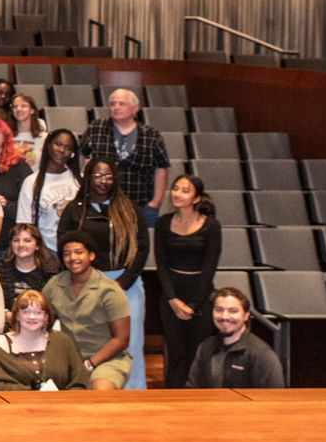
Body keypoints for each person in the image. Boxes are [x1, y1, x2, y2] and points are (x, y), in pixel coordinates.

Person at [57, 155, 149, 389]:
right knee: (92, 341)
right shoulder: (74, 210)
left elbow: (142, 246)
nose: (103, 180)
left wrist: (124, 281)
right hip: (86, 285)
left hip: (125, 283)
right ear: (88, 177)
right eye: (97, 175)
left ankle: (134, 394)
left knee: (132, 343)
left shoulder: (128, 208)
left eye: (108, 175)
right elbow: (64, 245)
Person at [154, 173, 223, 389]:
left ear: (196, 199)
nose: (177, 194)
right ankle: (172, 400)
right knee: (176, 355)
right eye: (175, 188)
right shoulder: (163, 223)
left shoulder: (211, 226)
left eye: (185, 190)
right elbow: (161, 265)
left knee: (198, 354)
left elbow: (209, 269)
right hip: (171, 294)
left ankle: (199, 402)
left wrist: (193, 305)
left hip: (199, 296)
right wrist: (173, 299)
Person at [41, 231, 133, 390]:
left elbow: (121, 339)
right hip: (70, 361)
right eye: (67, 254)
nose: (72, 258)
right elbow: (43, 323)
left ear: (91, 256)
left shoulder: (109, 290)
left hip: (107, 360)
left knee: (99, 396)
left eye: (78, 252)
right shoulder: (55, 284)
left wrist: (90, 364)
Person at [79, 88, 170, 231]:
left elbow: (161, 168)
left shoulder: (151, 135)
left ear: (135, 108)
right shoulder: (96, 128)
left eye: (122, 104)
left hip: (141, 205)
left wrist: (156, 202)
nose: (116, 107)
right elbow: (81, 155)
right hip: (101, 205)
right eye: (113, 104)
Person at [0, 290, 92, 392]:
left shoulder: (62, 341)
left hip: (60, 408)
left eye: (38, 312)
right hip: (14, 408)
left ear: (46, 317)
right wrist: (35, 392)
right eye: (26, 311)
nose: (32, 316)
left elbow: (79, 381)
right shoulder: (0, 344)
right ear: (17, 316)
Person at [188, 287, 284, 388]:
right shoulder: (206, 347)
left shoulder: (261, 354)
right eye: (219, 310)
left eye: (233, 311)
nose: (224, 316)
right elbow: (192, 390)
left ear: (246, 316)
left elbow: (274, 398)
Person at [15, 128, 81, 253]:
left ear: (72, 153)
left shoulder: (78, 180)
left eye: (68, 148)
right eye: (58, 144)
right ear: (48, 146)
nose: (62, 150)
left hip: (75, 251)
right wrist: (43, 252)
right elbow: (25, 225)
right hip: (47, 250)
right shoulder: (31, 182)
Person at [0, 222, 60, 304]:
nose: (21, 244)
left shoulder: (49, 272)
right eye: (16, 240)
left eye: (27, 241)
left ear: (37, 245)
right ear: (11, 244)